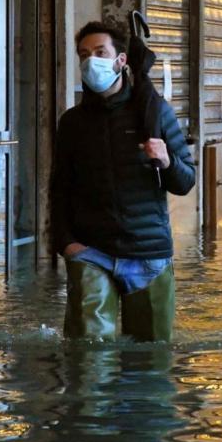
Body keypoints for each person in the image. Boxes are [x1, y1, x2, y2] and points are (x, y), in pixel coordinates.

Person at [51, 21, 196, 342]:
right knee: (88, 355)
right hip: (91, 253)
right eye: (84, 54)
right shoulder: (73, 123)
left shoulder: (154, 113)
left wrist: (167, 160)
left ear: (121, 60)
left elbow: (185, 182)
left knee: (150, 361)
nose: (92, 61)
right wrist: (66, 244)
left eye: (100, 52)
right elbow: (60, 188)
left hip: (149, 255)